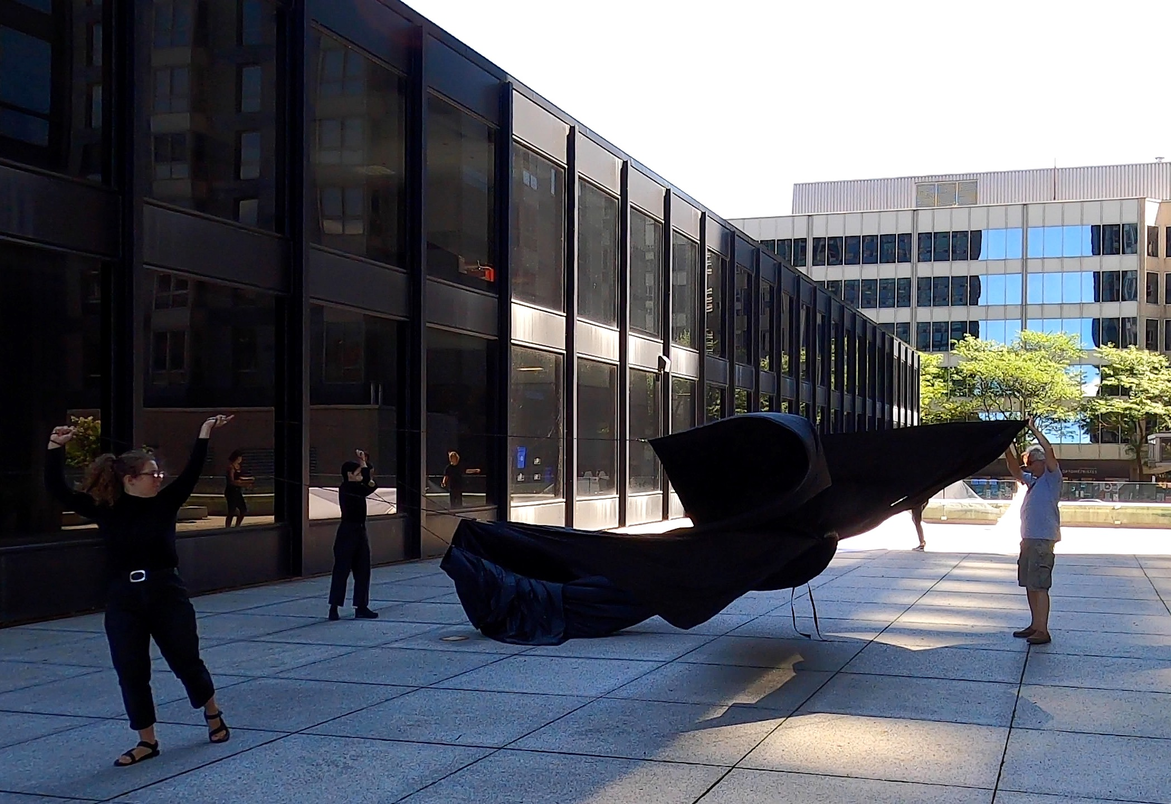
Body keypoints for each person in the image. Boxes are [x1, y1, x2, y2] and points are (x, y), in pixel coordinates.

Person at [44, 415, 234, 767]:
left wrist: (204, 433)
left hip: (166, 592)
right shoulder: (106, 508)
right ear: (130, 479)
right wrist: (55, 447)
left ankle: (212, 713)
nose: (159, 479)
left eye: (159, 473)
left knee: (186, 660)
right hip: (123, 597)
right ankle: (147, 740)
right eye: (152, 474)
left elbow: (192, 472)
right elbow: (58, 489)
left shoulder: (166, 502)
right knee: (131, 669)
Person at [1004, 417, 1061, 645]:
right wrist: (1007, 445)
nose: (1028, 467)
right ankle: (1035, 624)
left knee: (1039, 584)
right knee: (1029, 583)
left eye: (1031, 462)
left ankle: (1042, 629)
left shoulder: (1051, 478)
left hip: (1042, 539)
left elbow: (1049, 450)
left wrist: (1032, 429)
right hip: (1029, 538)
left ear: (1041, 462)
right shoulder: (1033, 481)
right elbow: (1014, 469)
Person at [328, 449, 379, 621]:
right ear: (349, 475)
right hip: (347, 532)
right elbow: (367, 482)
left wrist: (363, 463)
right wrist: (362, 463)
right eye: (357, 473)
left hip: (360, 531)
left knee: (363, 570)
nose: (360, 476)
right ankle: (334, 607)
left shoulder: (359, 488)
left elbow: (371, 484)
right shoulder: (347, 487)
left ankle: (361, 606)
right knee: (341, 571)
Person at [223, 449, 253, 528]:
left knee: (243, 509)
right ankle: (227, 527)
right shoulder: (231, 467)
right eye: (240, 457)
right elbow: (232, 481)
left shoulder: (238, 467)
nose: (241, 459)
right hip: (231, 491)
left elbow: (240, 478)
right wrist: (244, 484)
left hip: (237, 491)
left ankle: (237, 526)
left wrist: (248, 480)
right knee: (232, 511)